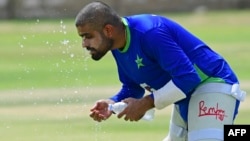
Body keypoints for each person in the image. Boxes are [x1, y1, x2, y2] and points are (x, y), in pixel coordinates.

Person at [75, 1, 246, 141]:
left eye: (88, 36)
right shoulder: (117, 46)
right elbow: (132, 87)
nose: (84, 44)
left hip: (212, 82)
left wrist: (145, 103)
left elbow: (188, 77)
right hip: (185, 95)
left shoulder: (150, 32)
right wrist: (111, 104)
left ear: (108, 30)